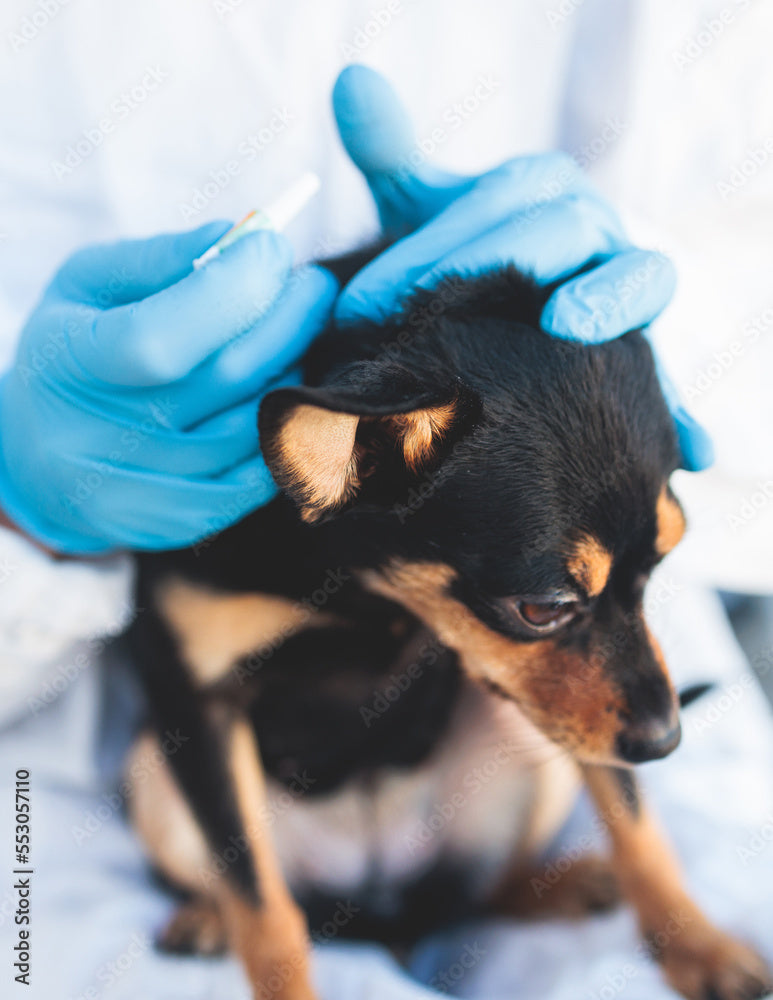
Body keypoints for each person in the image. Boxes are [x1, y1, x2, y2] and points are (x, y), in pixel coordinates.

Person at [0, 4, 771, 999]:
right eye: (546, 608)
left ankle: (535, 893)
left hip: (475, 794)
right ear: (344, 463)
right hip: (81, 823)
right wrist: (19, 508)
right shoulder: (326, 486)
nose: (652, 715)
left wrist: (693, 326)